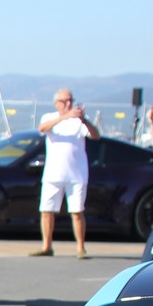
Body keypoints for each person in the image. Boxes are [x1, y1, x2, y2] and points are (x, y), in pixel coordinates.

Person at [32, 88, 99, 258]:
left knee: (77, 212)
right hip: (53, 174)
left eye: (70, 101)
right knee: (47, 210)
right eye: (64, 101)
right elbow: (42, 128)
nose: (68, 104)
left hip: (76, 174)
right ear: (57, 103)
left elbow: (95, 135)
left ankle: (80, 247)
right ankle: (47, 246)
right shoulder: (49, 117)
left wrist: (83, 120)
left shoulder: (79, 122)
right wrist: (64, 117)